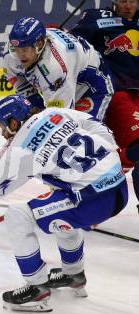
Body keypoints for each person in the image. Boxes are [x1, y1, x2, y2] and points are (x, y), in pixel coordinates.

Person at [0, 94, 128, 312]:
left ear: (14, 121)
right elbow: (97, 125)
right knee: (61, 206)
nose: (4, 134)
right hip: (119, 187)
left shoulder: (21, 146)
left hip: (92, 201)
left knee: (18, 214)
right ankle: (73, 274)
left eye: (3, 127)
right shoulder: (54, 113)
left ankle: (37, 288)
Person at [70, 0, 139, 203]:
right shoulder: (96, 18)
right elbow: (71, 44)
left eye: (132, 1)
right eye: (123, 0)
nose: (128, 6)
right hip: (117, 94)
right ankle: (107, 165)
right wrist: (54, 37)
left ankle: (107, 165)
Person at [3, 17, 115, 121]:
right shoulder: (10, 55)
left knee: (83, 129)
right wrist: (35, 110)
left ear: (39, 44)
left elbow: (62, 117)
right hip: (67, 79)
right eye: (15, 49)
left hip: (92, 87)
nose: (19, 55)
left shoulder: (55, 68)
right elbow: (18, 80)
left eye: (25, 50)